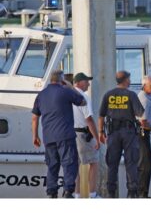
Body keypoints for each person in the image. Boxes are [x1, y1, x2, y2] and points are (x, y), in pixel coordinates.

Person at [31, 70, 86, 198]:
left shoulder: (41, 95)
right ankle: (67, 192)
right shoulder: (66, 91)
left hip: (48, 137)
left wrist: (35, 136)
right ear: (62, 80)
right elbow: (83, 102)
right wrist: (71, 86)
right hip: (65, 135)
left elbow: (34, 117)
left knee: (52, 165)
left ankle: (51, 193)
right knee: (69, 163)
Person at [98, 70, 144, 198]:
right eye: (129, 79)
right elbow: (140, 113)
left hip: (112, 133)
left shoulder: (108, 95)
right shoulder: (131, 95)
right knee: (131, 162)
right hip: (129, 133)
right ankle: (132, 193)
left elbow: (101, 115)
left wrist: (101, 132)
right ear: (125, 80)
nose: (130, 81)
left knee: (112, 163)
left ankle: (111, 193)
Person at [72, 72, 100, 199]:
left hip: (70, 134)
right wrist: (97, 138)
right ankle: (92, 195)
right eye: (86, 81)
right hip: (83, 134)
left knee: (75, 165)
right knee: (94, 163)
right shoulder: (83, 96)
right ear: (78, 83)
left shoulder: (68, 95)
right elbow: (89, 120)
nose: (88, 83)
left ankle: (76, 195)